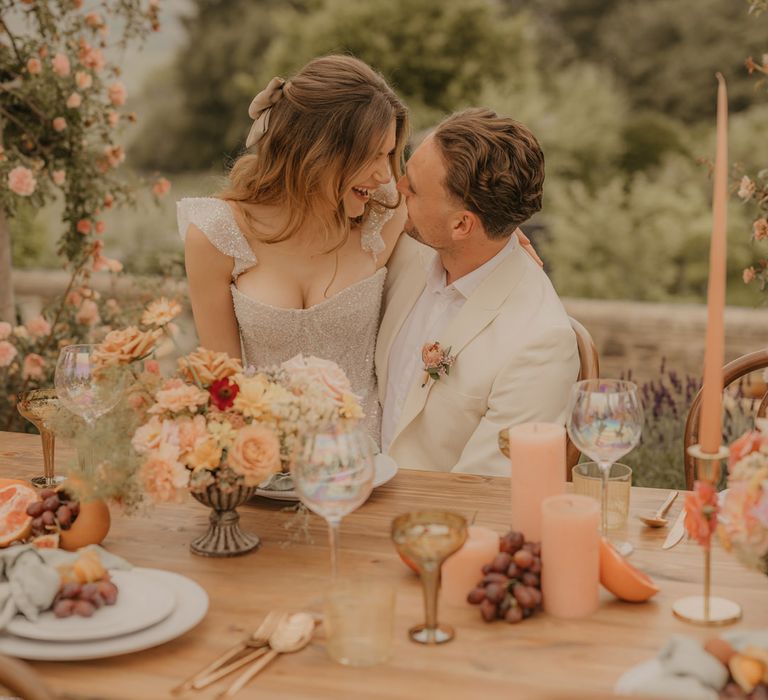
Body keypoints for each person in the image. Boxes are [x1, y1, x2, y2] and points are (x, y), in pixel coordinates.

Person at [178, 56, 409, 443]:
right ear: (317, 149)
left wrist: (510, 242)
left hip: (366, 471)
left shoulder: (383, 215)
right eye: (372, 155)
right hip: (264, 471)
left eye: (388, 154)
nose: (385, 174)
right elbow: (223, 386)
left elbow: (460, 218)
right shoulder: (217, 234)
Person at [376, 108, 579, 475]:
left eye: (414, 189)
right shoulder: (410, 248)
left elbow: (483, 492)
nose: (397, 187)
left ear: (461, 225)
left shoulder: (541, 343)